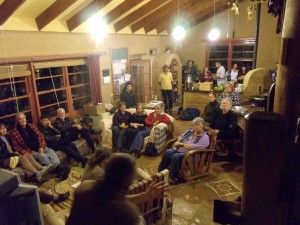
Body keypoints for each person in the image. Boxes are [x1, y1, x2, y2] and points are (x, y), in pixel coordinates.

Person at [67, 153, 167, 225]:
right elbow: (114, 204)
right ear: (126, 181)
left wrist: (143, 196)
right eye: (133, 176)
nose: (135, 179)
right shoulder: (128, 213)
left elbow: (106, 201)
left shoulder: (85, 186)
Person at [10, 113, 69, 180]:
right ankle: (58, 170)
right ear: (17, 121)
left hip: (39, 146)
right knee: (43, 156)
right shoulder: (14, 132)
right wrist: (25, 152)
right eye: (20, 119)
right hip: (30, 150)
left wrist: (41, 146)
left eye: (24, 118)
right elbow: (16, 147)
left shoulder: (32, 126)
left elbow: (40, 137)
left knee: (51, 151)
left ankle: (58, 169)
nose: (23, 120)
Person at [158, 117, 209, 184]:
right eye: (193, 126)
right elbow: (182, 136)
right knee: (168, 152)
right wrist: (178, 141)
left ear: (201, 126)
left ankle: (172, 178)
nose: (194, 128)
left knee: (175, 156)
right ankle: (161, 172)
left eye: (196, 127)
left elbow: (193, 147)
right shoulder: (191, 130)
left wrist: (181, 144)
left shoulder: (204, 138)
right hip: (180, 150)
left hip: (191, 156)